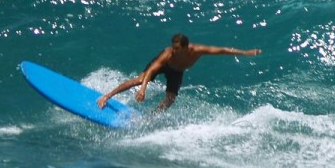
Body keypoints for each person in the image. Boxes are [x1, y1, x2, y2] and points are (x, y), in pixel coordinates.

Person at [97, 33, 261, 111]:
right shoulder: (168, 54)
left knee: (170, 98)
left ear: (185, 47)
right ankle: (106, 96)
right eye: (173, 47)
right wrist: (142, 89)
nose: (173, 51)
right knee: (139, 80)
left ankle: (150, 118)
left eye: (177, 48)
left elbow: (223, 50)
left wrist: (246, 53)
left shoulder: (197, 50)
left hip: (177, 71)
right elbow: (151, 70)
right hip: (163, 65)